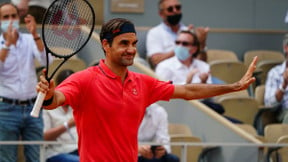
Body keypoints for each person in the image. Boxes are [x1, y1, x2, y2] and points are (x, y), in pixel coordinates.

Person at [36, 18, 257, 161]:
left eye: (134, 43)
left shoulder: (143, 83)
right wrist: (48, 95)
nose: (131, 50)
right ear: (106, 45)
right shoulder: (84, 80)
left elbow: (188, 91)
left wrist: (234, 86)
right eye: (124, 43)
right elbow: (56, 99)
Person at [0, 2, 51, 162]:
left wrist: (35, 34)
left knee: (35, 157)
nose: (10, 20)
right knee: (7, 158)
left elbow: (46, 60)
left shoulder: (29, 39)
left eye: (13, 16)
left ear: (19, 17)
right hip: (6, 110)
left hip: (32, 107)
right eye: (5, 17)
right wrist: (7, 44)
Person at [155, 30, 241, 123]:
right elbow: (163, 96)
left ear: (194, 49)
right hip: (179, 113)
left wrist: (203, 83)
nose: (180, 46)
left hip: (203, 110)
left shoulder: (203, 66)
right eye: (177, 42)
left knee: (239, 125)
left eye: (185, 43)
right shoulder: (164, 66)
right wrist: (187, 82)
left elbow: (209, 97)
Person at [146, 0, 209, 69]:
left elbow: (202, 62)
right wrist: (181, 46)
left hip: (192, 72)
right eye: (170, 9)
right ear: (161, 14)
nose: (175, 11)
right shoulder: (155, 33)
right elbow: (156, 61)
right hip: (168, 73)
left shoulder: (189, 31)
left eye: (178, 7)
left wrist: (202, 43)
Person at [43, 69, 79, 162]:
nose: (72, 91)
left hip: (80, 149)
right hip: (58, 153)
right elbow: (44, 137)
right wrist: (67, 125)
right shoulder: (48, 108)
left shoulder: (79, 104)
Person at [265, 34, 288, 123]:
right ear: (286, 48)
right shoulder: (275, 73)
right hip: (285, 112)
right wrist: (284, 85)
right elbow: (270, 104)